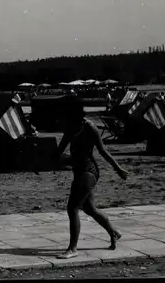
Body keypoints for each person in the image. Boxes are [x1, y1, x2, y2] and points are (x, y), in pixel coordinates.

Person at [53, 96, 128, 259]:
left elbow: (103, 151)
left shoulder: (89, 127)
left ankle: (72, 249)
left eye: (66, 113)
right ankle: (113, 232)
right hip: (79, 171)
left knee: (72, 208)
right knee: (89, 208)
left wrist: (118, 168)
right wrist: (40, 164)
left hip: (89, 171)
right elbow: (58, 152)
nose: (64, 117)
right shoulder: (70, 128)